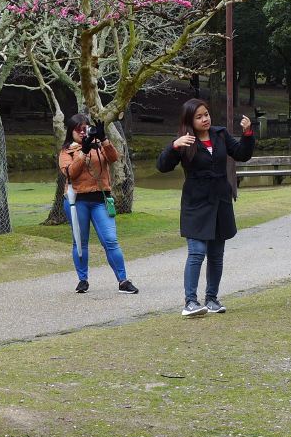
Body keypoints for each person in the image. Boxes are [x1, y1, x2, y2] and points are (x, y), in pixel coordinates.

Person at [156, 99, 255, 317]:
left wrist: (247, 133)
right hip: (196, 203)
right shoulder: (185, 141)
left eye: (207, 114)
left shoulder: (220, 134)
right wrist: (173, 146)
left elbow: (242, 154)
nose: (205, 119)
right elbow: (163, 166)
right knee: (197, 252)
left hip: (220, 201)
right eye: (199, 116)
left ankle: (212, 299)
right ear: (190, 120)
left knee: (216, 254)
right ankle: (190, 301)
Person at [59, 113, 137, 296]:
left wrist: (103, 139)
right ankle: (83, 280)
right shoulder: (67, 151)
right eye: (78, 129)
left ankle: (123, 281)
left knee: (111, 240)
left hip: (100, 200)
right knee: (80, 241)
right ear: (71, 131)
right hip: (77, 201)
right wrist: (83, 152)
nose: (82, 132)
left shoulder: (99, 147)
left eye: (85, 128)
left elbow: (113, 158)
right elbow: (70, 173)